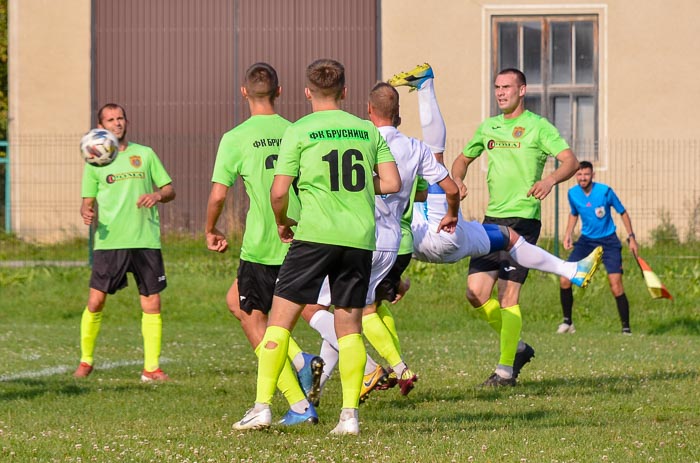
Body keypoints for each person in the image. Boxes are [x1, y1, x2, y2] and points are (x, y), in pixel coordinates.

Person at [232, 59, 401, 435]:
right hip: (358, 240)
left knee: (279, 321)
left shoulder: (300, 130)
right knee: (350, 326)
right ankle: (349, 417)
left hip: (313, 236)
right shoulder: (365, 129)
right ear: (344, 91)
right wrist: (352, 187)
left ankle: (262, 407)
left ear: (307, 92)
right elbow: (391, 182)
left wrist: (282, 220)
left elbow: (279, 191)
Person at [297, 81, 460, 403]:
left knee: (312, 308)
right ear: (398, 114)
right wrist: (451, 214)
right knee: (348, 312)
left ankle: (373, 369)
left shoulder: (362, 138)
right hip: (395, 243)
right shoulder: (416, 148)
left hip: (359, 236)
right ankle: (313, 392)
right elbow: (449, 188)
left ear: (369, 110)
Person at [204, 63, 323, 427]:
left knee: (256, 320)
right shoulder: (297, 131)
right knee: (238, 302)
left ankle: (297, 404)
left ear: (244, 92)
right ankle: (301, 362)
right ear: (280, 91)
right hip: (300, 239)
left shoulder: (236, 137)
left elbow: (219, 194)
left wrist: (211, 229)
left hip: (262, 243)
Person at [451, 68, 585, 387]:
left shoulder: (538, 127)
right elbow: (462, 159)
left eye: (507, 87)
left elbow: (570, 161)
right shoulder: (489, 127)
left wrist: (551, 179)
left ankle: (504, 372)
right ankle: (518, 348)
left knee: (508, 294)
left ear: (522, 90)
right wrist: (457, 179)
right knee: (475, 292)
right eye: (497, 87)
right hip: (491, 220)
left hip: (523, 219)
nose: (500, 92)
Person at [73, 103, 175, 382]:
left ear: (126, 121)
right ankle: (86, 361)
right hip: (109, 241)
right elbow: (87, 203)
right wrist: (87, 212)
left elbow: (169, 189)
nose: (117, 123)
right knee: (95, 301)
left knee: (152, 303)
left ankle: (151, 368)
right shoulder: (95, 159)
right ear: (101, 126)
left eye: (120, 118)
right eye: (110, 120)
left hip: (145, 240)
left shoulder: (145, 154)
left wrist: (157, 196)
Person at [558, 161, 638, 334]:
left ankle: (626, 329)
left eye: (586, 174)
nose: (582, 178)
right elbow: (574, 214)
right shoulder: (572, 193)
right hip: (586, 241)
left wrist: (631, 238)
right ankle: (567, 323)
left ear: (592, 175)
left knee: (615, 284)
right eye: (579, 174)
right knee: (565, 278)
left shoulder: (605, 191)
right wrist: (568, 234)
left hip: (609, 241)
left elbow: (622, 212)